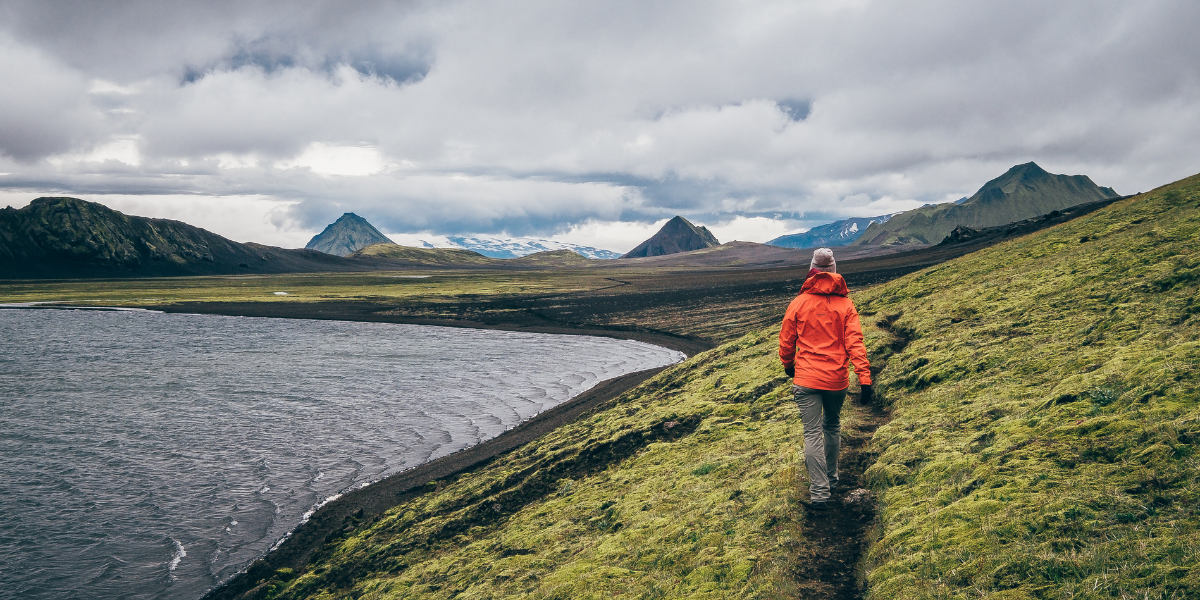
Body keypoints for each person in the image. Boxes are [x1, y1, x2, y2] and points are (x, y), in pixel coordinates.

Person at [778, 248, 873, 510]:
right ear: (833, 270)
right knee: (832, 425)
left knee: (812, 433)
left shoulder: (798, 303)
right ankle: (831, 480)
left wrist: (789, 365)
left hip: (806, 378)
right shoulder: (846, 305)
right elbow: (856, 343)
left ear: (812, 270)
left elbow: (787, 341)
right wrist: (864, 378)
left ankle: (819, 494)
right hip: (836, 380)